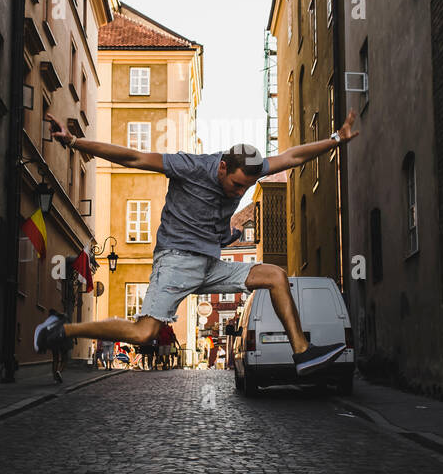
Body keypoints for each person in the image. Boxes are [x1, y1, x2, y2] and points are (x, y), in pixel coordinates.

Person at [34, 112, 360, 374]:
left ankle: (302, 353)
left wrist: (335, 139)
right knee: (144, 333)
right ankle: (64, 329)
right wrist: (76, 142)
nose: (236, 193)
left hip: (210, 264)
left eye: (243, 188)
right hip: (176, 261)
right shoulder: (189, 166)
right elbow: (133, 157)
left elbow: (292, 157)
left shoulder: (250, 168)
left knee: (274, 275)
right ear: (221, 166)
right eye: (234, 185)